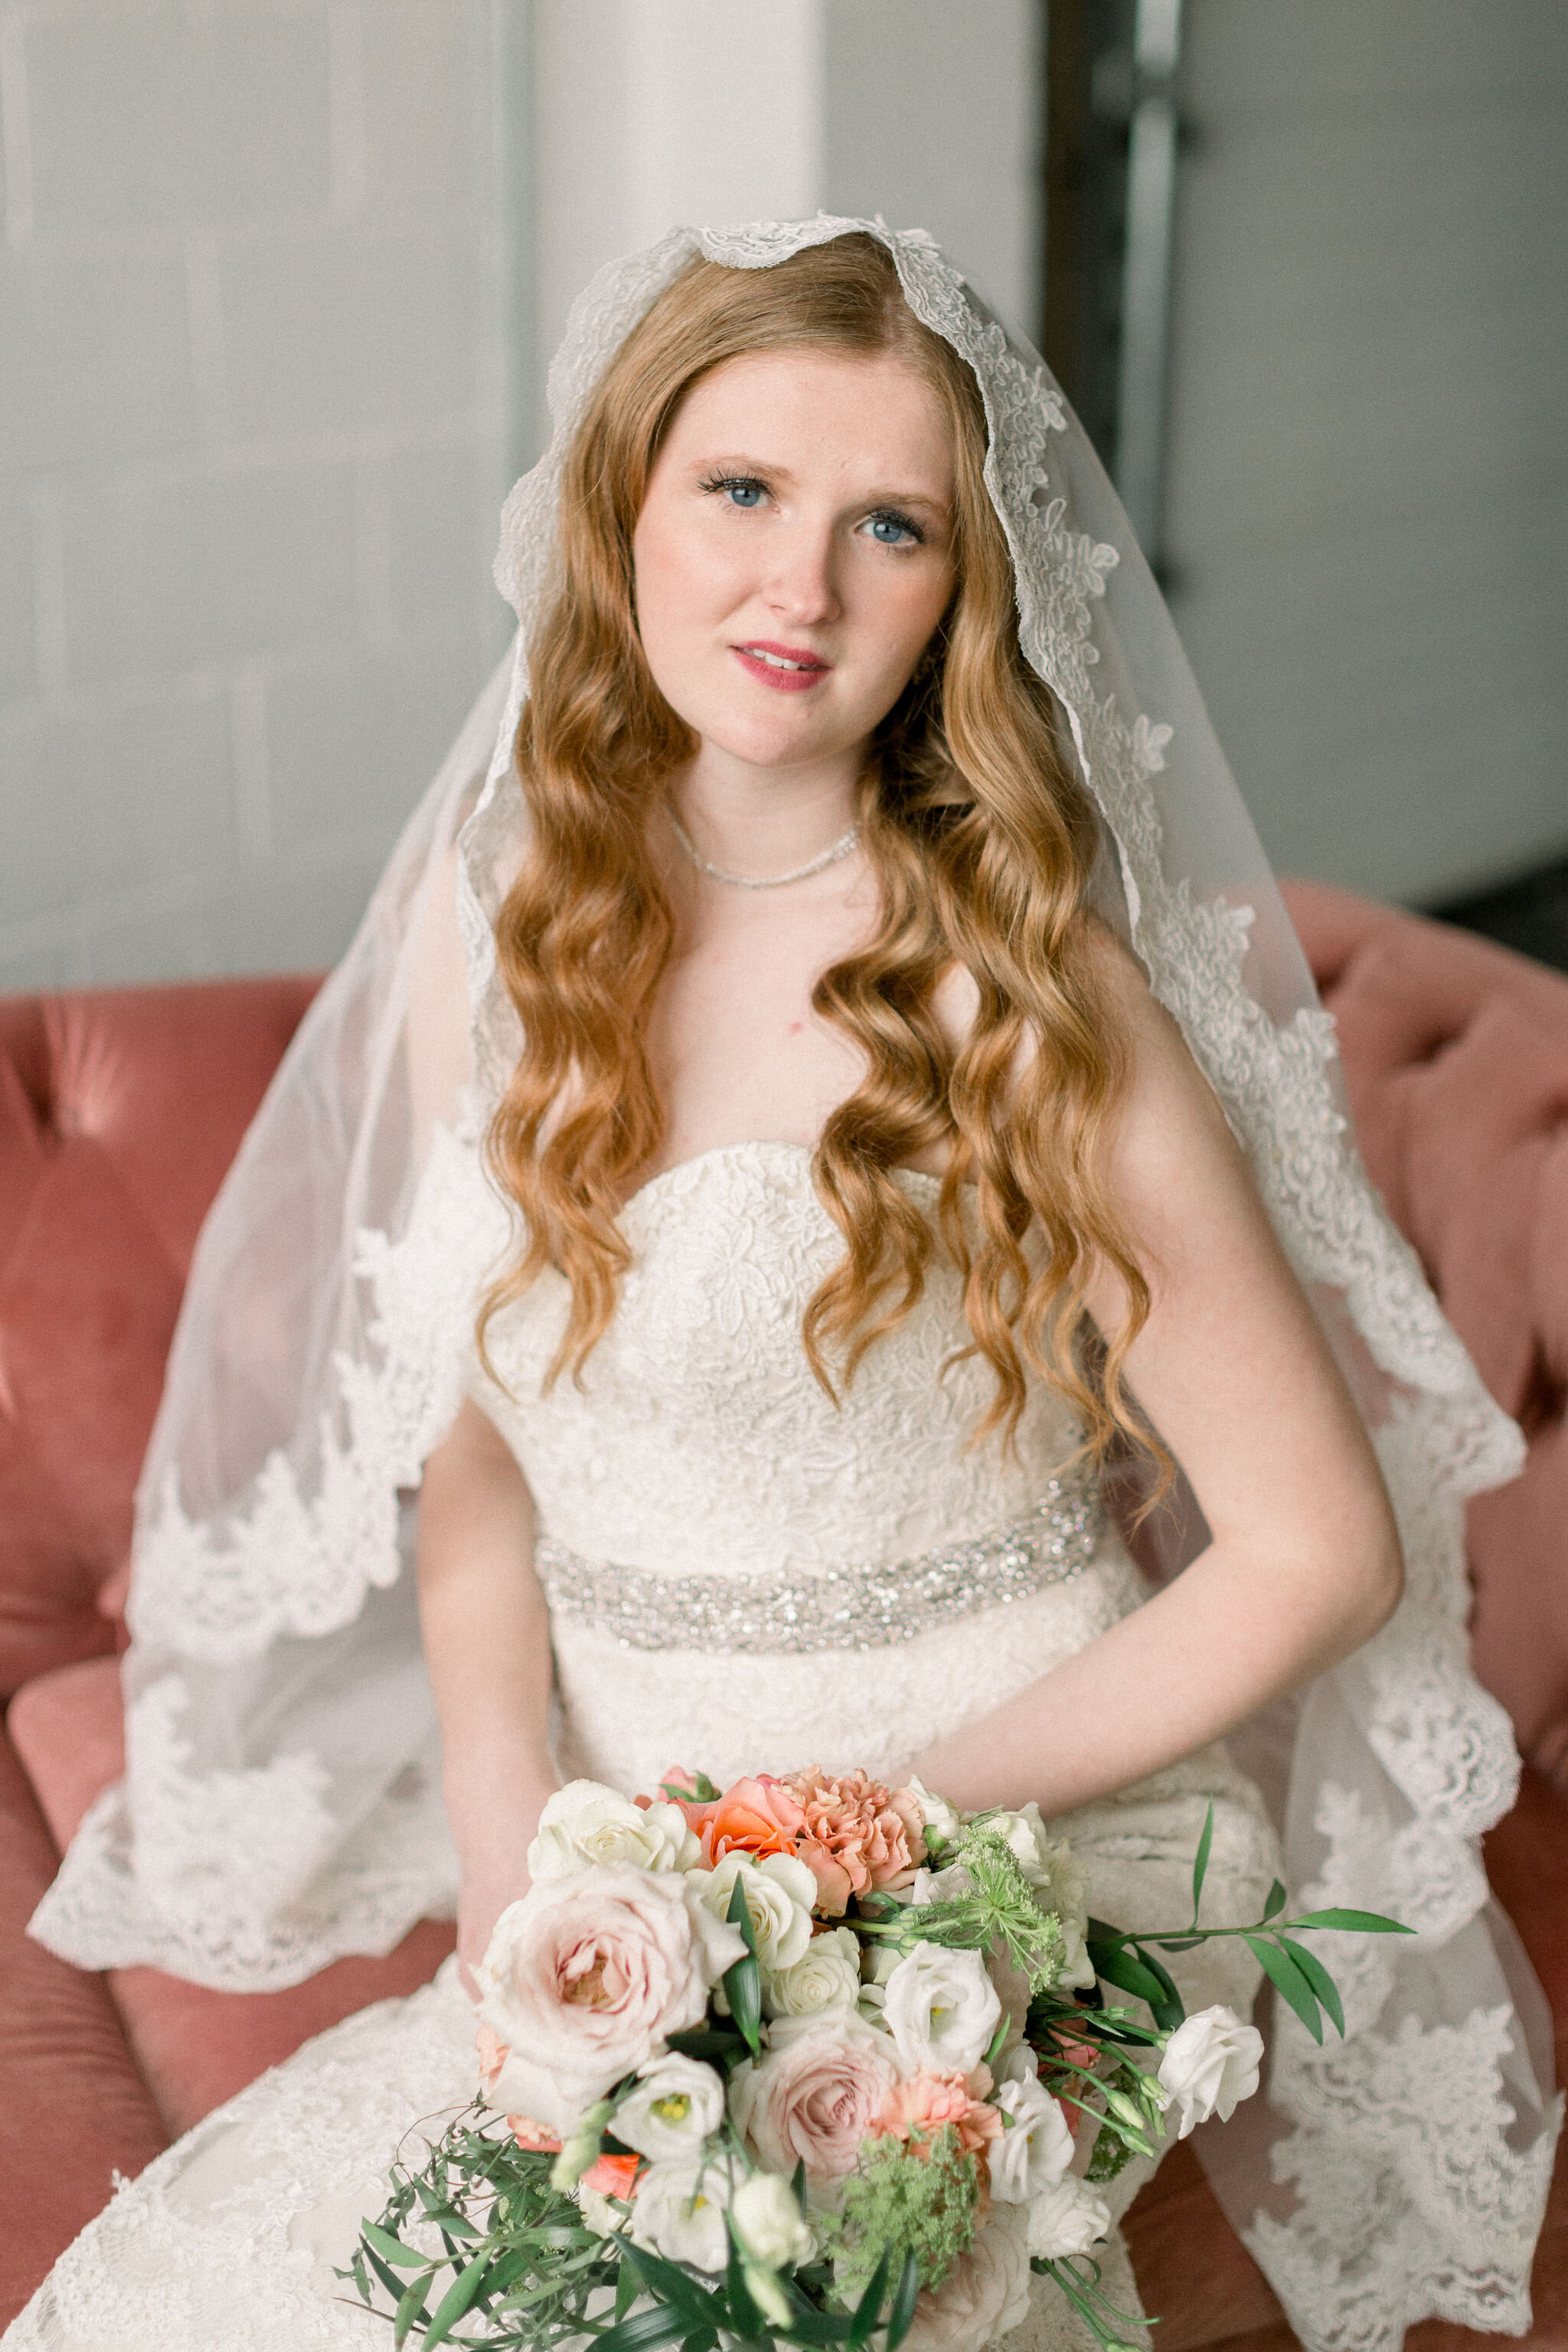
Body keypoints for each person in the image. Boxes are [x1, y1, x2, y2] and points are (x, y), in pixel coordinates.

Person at [7, 221, 1555, 2352]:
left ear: (962, 588)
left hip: (1014, 1832)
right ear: (622, 502)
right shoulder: (499, 920)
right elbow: (478, 1474)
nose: (799, 587)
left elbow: (1318, 1551)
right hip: (628, 1830)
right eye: (740, 491)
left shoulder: (1033, 993)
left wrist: (880, 1836)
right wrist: (507, 1861)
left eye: (888, 524)